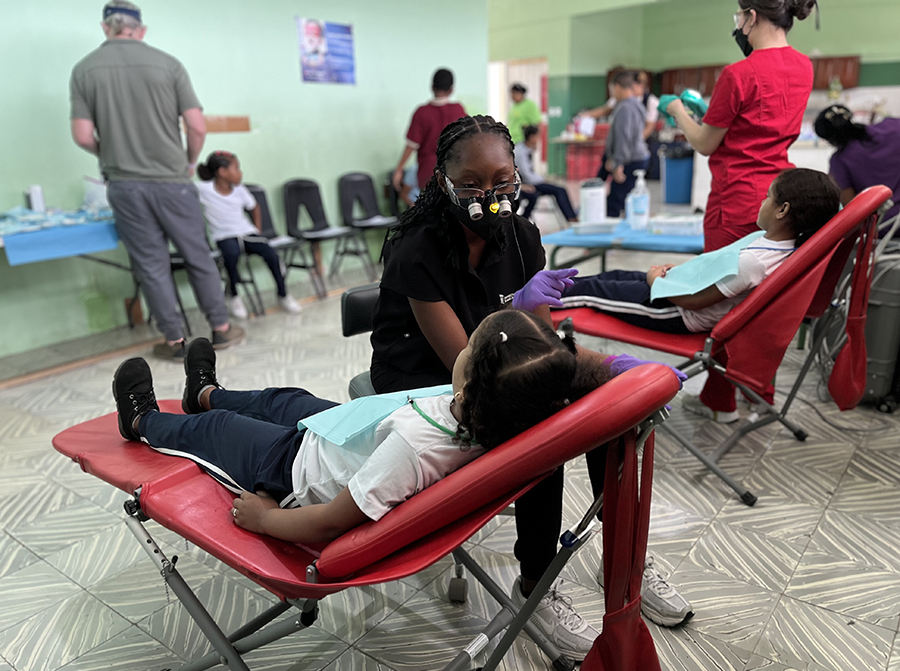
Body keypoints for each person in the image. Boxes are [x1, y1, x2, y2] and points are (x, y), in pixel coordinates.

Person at [370, 115, 694, 660]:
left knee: (609, 412)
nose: (488, 195)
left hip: (500, 357)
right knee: (541, 425)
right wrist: (539, 329)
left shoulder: (520, 237)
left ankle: (625, 558)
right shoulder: (416, 248)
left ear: (518, 174)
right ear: (442, 180)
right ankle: (535, 581)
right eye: (471, 184)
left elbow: (536, 342)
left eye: (501, 180)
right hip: (429, 377)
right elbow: (469, 365)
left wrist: (605, 369)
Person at [111, 310, 591, 544]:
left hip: (296, 472)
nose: (460, 350)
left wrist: (266, 520)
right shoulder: (494, 410)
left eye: (467, 350)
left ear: (467, 386)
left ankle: (141, 420)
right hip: (338, 435)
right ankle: (202, 393)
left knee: (219, 430)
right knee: (282, 399)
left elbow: (334, 518)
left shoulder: (414, 450)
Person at [559, 168, 841, 422]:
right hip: (675, 291)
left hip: (674, 311)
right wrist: (677, 273)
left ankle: (539, 305)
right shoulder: (776, 248)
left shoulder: (755, 262)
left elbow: (699, 301)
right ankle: (547, 287)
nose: (762, 203)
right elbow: (712, 268)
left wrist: (656, 279)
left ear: (782, 210)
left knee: (593, 292)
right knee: (615, 275)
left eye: (768, 197)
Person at [69, 1, 244, 361]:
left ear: (106, 28)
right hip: (173, 181)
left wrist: (112, 152)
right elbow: (196, 125)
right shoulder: (169, 64)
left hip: (124, 185)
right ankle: (221, 330)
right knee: (197, 255)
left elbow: (82, 134)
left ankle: (175, 341)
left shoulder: (84, 70)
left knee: (151, 263)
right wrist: (189, 161)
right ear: (141, 30)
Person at [663, 0, 819, 252]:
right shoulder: (804, 66)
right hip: (780, 198)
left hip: (737, 201)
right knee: (763, 284)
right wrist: (713, 116)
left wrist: (677, 111)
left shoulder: (738, 74)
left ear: (752, 17)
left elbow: (705, 143)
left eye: (740, 18)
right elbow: (760, 122)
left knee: (724, 285)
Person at [195, 151, 302, 319]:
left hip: (247, 232)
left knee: (271, 255)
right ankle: (234, 296)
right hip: (224, 236)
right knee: (231, 255)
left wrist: (257, 230)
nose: (240, 173)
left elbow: (254, 207)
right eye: (236, 168)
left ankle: (283, 295)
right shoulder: (204, 189)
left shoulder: (240, 190)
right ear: (222, 172)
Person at [814, 104, 900, 222]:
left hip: (884, 225)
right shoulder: (894, 126)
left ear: (830, 139)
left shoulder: (840, 161)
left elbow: (851, 211)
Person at [392, 69, 467, 193]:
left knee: (430, 209)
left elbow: (411, 145)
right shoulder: (459, 111)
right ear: (451, 90)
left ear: (432, 87)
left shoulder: (422, 113)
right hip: (455, 173)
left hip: (429, 174)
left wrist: (399, 169)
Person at [598, 72, 651, 218]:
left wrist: (618, 163)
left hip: (630, 159)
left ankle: (610, 237)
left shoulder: (625, 108)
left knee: (615, 202)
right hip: (638, 156)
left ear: (617, 87)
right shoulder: (636, 104)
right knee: (627, 200)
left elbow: (624, 138)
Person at [515, 125, 578, 222]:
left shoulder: (527, 148)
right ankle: (571, 218)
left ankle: (571, 216)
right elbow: (527, 175)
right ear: (531, 137)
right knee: (559, 190)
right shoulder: (520, 152)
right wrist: (543, 179)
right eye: (537, 136)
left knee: (560, 189)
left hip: (531, 181)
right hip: (527, 183)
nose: (538, 140)